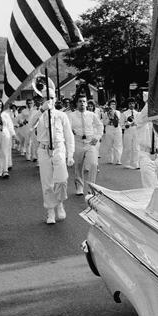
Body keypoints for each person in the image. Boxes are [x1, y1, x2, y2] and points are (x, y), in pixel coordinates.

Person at [31, 74, 75, 224]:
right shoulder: (39, 114)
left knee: (62, 179)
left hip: (59, 149)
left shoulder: (62, 115)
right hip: (44, 150)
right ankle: (50, 211)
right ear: (42, 100)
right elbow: (31, 124)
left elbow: (69, 136)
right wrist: (41, 111)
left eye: (52, 98)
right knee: (47, 183)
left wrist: (70, 155)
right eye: (46, 98)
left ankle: (60, 203)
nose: (50, 101)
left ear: (55, 99)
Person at [68, 93, 104, 196]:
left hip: (90, 142)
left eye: (84, 101)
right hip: (78, 142)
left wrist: (96, 138)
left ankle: (91, 187)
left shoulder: (92, 115)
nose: (82, 104)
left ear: (87, 103)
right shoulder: (71, 115)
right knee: (78, 166)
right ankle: (79, 187)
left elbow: (100, 126)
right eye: (80, 101)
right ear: (76, 103)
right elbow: (67, 128)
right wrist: (71, 132)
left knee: (94, 164)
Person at [120, 100, 140, 169]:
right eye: (130, 104)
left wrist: (136, 124)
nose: (131, 105)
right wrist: (126, 126)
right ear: (128, 105)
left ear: (135, 104)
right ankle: (127, 163)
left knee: (136, 148)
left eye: (133, 103)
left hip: (135, 131)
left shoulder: (137, 113)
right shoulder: (124, 113)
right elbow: (121, 124)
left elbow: (140, 123)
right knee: (127, 148)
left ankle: (135, 163)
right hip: (128, 131)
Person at [102, 99, 123, 164]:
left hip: (117, 128)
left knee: (118, 144)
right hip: (109, 128)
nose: (113, 106)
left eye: (114, 104)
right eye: (111, 104)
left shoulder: (118, 112)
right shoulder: (105, 113)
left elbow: (120, 121)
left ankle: (118, 159)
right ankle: (110, 159)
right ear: (109, 105)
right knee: (109, 144)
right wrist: (109, 119)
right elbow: (104, 122)